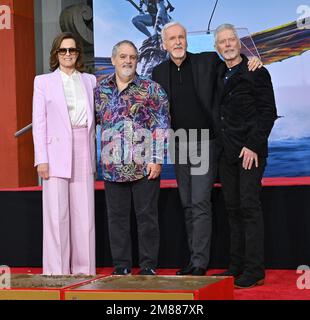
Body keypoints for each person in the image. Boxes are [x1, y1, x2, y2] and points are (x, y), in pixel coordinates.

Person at [152, 21, 262, 276]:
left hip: (203, 141)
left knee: (200, 202)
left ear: (186, 41)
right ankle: (194, 259)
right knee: (187, 204)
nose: (178, 42)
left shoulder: (207, 61)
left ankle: (199, 264)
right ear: (164, 44)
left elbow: (234, 61)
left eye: (181, 37)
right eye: (173, 39)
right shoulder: (158, 72)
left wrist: (253, 59)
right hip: (178, 143)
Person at [95, 40, 170, 276]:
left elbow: (162, 124)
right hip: (112, 167)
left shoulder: (151, 89)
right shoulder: (100, 90)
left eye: (133, 57)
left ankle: (148, 266)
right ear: (114, 59)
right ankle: (122, 266)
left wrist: (157, 158)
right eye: (124, 56)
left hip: (144, 165)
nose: (128, 61)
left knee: (146, 218)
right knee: (116, 220)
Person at [212, 24, 277, 288]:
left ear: (239, 43)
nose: (227, 45)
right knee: (232, 209)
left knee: (249, 208)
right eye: (222, 42)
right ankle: (236, 266)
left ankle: (254, 269)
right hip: (227, 153)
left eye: (231, 40)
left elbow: (267, 112)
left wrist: (252, 145)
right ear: (217, 47)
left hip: (250, 152)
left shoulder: (257, 72)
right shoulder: (217, 72)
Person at [32, 32, 97, 275]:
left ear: (78, 53)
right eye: (63, 50)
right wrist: (42, 159)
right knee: (56, 215)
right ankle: (56, 273)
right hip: (54, 150)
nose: (68, 54)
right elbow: (38, 123)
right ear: (56, 54)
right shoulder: (42, 82)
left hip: (83, 146)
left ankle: (85, 273)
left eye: (71, 50)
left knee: (85, 215)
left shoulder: (90, 81)